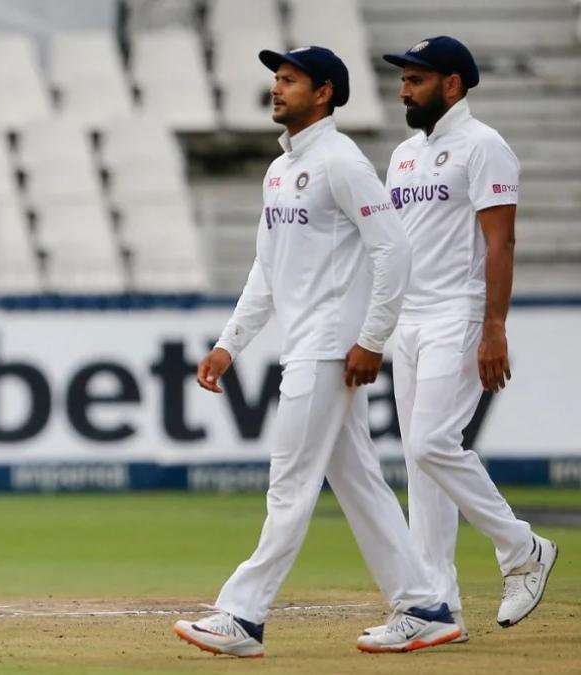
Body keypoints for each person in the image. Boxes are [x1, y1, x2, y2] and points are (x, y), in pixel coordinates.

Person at [172, 47, 459, 658]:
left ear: (324, 93)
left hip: (331, 348)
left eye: (291, 81)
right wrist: (229, 344)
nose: (277, 90)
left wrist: (370, 340)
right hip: (306, 344)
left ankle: (242, 616)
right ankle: (424, 605)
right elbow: (266, 268)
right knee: (358, 483)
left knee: (290, 484)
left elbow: (393, 252)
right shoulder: (281, 170)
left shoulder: (341, 161)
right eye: (276, 79)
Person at [374, 36, 557, 637]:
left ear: (452, 85)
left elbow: (501, 243)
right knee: (420, 465)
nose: (404, 88)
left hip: (460, 314)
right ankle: (436, 606)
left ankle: (521, 548)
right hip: (410, 319)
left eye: (416, 79)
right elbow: (395, 245)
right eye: (403, 78)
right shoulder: (403, 155)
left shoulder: (485, 148)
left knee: (430, 443)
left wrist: (493, 328)